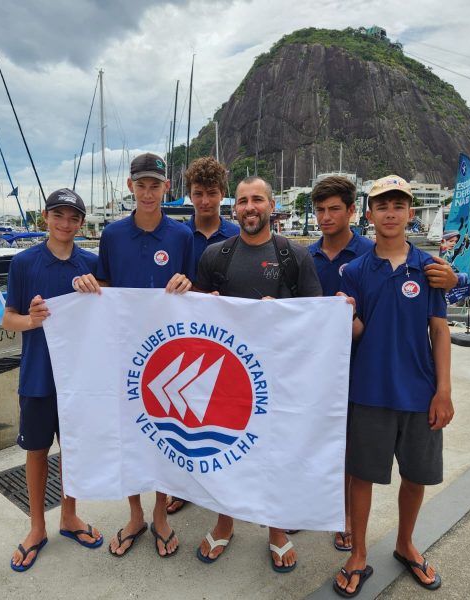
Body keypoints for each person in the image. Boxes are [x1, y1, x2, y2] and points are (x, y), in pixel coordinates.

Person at [308, 176, 457, 553]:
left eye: (398, 206)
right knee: (361, 477)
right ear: (370, 214)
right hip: (369, 391)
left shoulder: (429, 269)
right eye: (382, 207)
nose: (390, 214)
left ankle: (405, 544)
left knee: (416, 477)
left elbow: (439, 332)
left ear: (410, 212)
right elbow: (358, 331)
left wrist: (443, 391)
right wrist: (345, 315)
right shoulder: (355, 270)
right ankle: (357, 554)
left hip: (419, 393)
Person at [194, 175, 323, 572]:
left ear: (271, 207)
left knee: (277, 452)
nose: (250, 207)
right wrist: (206, 302)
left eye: (258, 200)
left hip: (280, 375)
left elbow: (315, 317)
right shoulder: (216, 255)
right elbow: (195, 317)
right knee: (224, 452)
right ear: (235, 209)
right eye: (243, 201)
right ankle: (224, 521)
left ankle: (277, 529)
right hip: (227, 376)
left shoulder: (294, 256)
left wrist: (281, 310)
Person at [73, 152, 192, 558]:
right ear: (130, 187)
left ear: (166, 188)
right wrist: (88, 283)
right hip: (124, 354)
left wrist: (185, 283)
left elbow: (194, 292)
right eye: (140, 184)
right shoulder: (113, 235)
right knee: (128, 434)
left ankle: (160, 514)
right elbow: (105, 286)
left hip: (166, 353)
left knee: (163, 433)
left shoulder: (181, 237)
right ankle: (135, 514)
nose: (147, 192)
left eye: (154, 185)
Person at [2, 188, 103, 572]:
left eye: (73, 218)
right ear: (46, 217)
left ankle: (70, 517)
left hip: (79, 377)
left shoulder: (91, 263)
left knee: (73, 450)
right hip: (38, 375)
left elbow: (108, 310)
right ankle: (37, 527)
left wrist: (98, 291)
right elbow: (7, 318)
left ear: (80, 223)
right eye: (59, 215)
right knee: (37, 451)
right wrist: (31, 320)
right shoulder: (24, 263)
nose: (65, 223)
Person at [166, 155, 240, 516]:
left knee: (220, 415)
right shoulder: (180, 236)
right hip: (188, 341)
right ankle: (185, 486)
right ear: (189, 195)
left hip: (228, 344)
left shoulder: (238, 235)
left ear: (223, 194)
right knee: (183, 415)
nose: (205, 201)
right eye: (198, 193)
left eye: (212, 193)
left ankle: (223, 488)